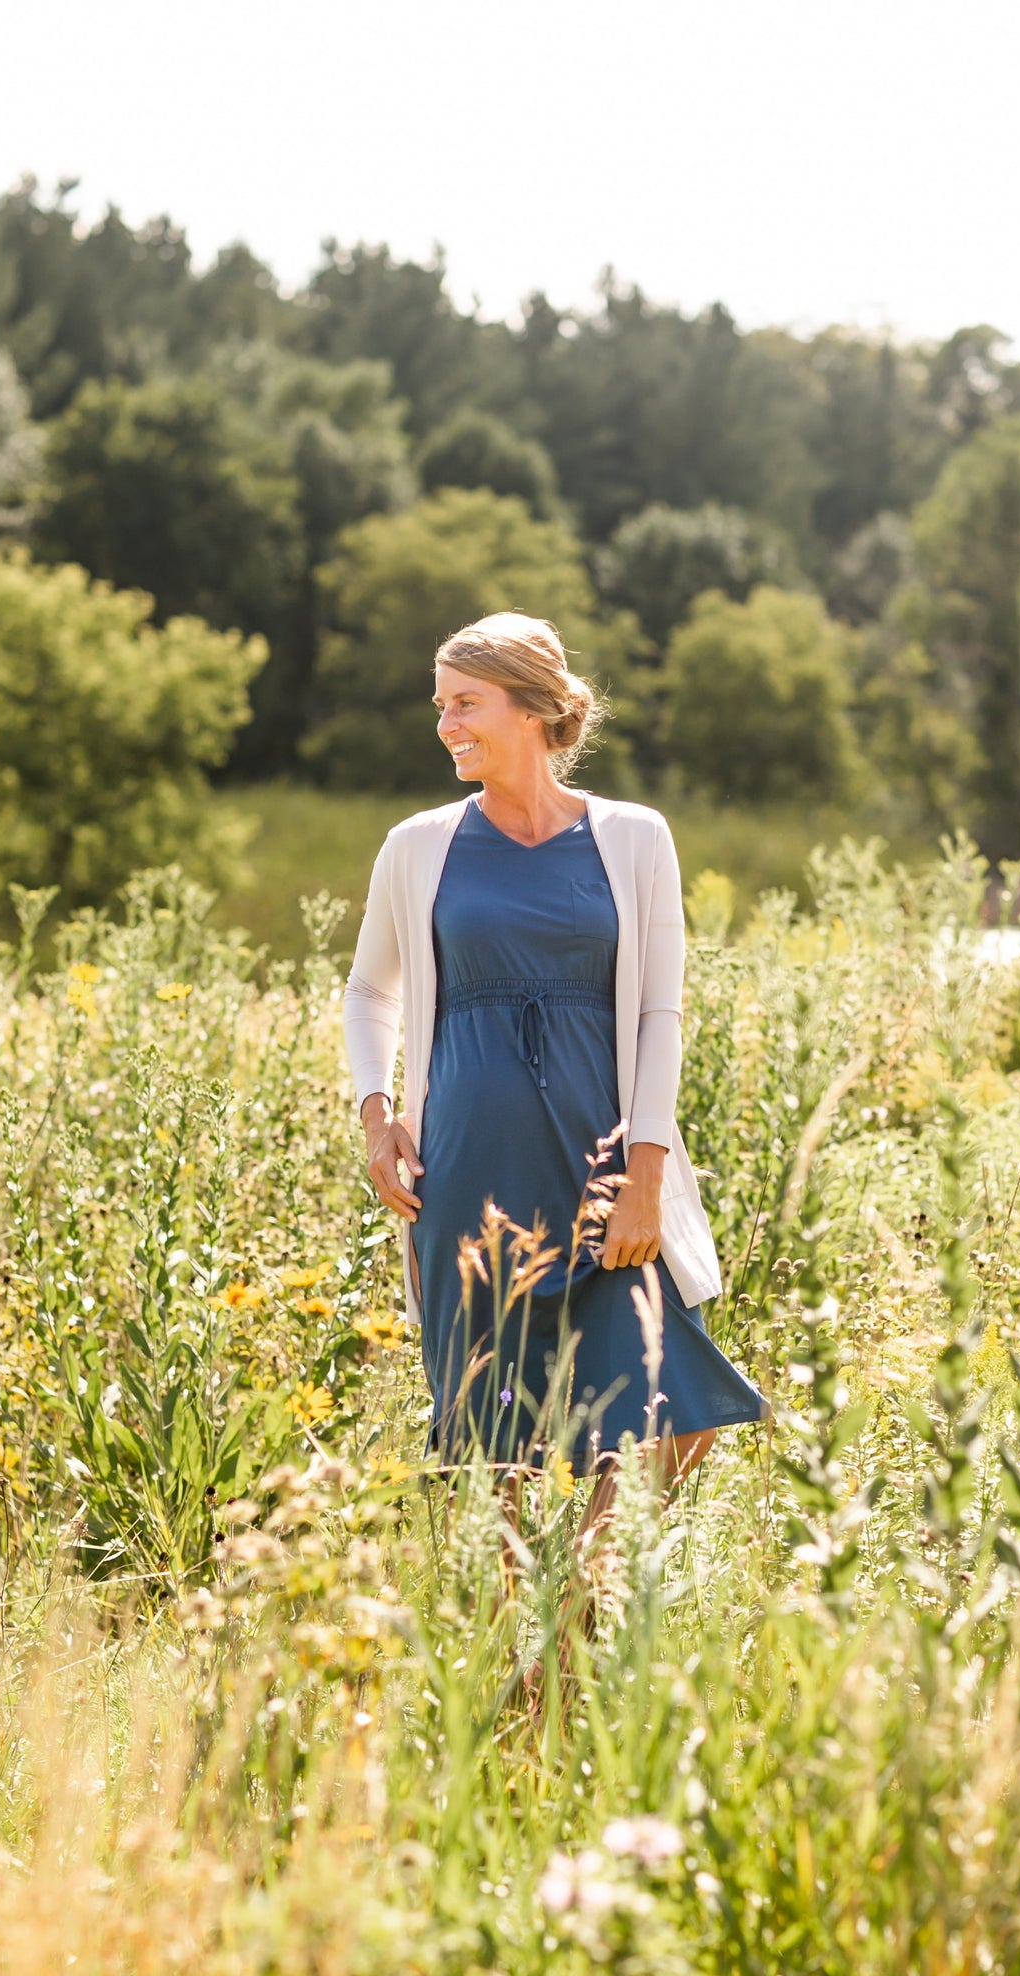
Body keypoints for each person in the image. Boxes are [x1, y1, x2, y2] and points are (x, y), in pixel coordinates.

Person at [342, 611, 766, 1563]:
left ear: (532, 708)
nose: (446, 724)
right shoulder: (417, 845)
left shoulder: (634, 837)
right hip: (468, 1171)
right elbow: (371, 988)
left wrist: (648, 1173)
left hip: (604, 1170)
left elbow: (660, 1010)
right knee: (494, 1445)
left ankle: (572, 1605)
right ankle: (522, 1678)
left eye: (465, 703)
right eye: (440, 705)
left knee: (675, 1401)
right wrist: (377, 1116)